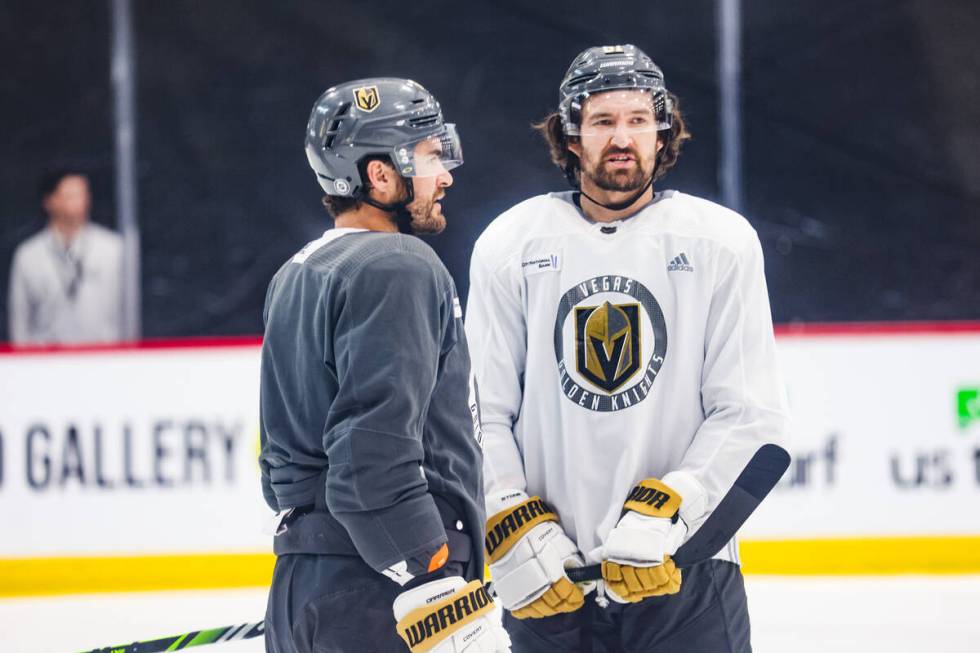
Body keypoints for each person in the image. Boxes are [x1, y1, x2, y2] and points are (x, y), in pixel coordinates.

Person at [465, 45, 791, 652]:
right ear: (571, 136)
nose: (623, 138)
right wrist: (509, 517)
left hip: (686, 576)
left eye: (640, 120)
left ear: (662, 132)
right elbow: (482, 412)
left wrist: (672, 514)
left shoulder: (720, 241)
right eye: (603, 121)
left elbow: (750, 412)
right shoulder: (510, 243)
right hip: (547, 576)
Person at [259, 78, 510, 653]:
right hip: (386, 594)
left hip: (307, 584)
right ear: (379, 173)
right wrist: (432, 581)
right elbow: (370, 451)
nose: (444, 175)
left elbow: (282, 466)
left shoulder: (297, 271)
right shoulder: (399, 264)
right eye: (428, 156)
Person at [7, 169, 123, 345]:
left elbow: (128, 313)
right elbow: (20, 320)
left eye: (83, 194)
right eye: (71, 195)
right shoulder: (28, 255)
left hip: (103, 359)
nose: (80, 201)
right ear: (50, 201)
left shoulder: (113, 249)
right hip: (45, 362)